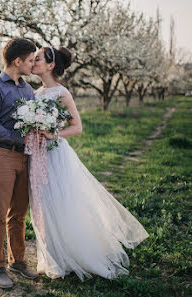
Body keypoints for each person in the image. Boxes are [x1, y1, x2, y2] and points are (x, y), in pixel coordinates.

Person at [29, 46, 149, 281]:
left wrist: (52, 134)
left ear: (51, 65)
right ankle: (54, 255)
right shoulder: (36, 92)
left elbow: (77, 127)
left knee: (62, 202)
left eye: (38, 59)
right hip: (38, 155)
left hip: (56, 154)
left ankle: (75, 253)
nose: (33, 62)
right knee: (43, 205)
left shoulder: (61, 92)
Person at [0, 38, 39, 289]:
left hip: (25, 157)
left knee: (19, 212)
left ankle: (18, 261)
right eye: (31, 60)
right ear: (17, 61)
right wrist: (18, 138)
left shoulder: (28, 90)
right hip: (1, 155)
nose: (34, 64)